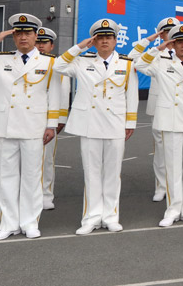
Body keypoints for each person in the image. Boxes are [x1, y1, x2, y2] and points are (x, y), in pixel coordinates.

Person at [0, 13, 59, 241]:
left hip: (34, 126)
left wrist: (52, 125)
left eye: (28, 33)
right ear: (13, 36)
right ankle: (8, 223)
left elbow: (54, 95)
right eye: (18, 33)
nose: (23, 38)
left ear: (36, 36)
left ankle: (29, 222)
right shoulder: (0, 59)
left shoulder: (49, 62)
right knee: (7, 177)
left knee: (31, 176)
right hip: (5, 125)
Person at [54, 19, 138, 234]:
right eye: (99, 38)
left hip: (115, 124)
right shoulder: (82, 62)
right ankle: (91, 217)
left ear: (115, 40)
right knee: (92, 173)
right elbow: (59, 65)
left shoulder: (126, 64)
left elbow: (132, 95)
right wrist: (81, 46)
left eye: (108, 37)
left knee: (112, 173)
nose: (104, 42)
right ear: (94, 40)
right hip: (89, 124)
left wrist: (130, 123)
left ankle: (110, 216)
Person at [134, 24, 183, 227]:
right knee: (173, 168)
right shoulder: (161, 63)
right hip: (170, 121)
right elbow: (139, 65)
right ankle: (172, 209)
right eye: (179, 42)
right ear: (173, 44)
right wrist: (158, 48)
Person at [128, 17, 181, 202]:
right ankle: (161, 186)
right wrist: (150, 41)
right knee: (160, 148)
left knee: (179, 148)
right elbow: (132, 58)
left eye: (173, 31)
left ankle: (177, 186)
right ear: (161, 34)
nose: (170, 35)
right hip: (159, 106)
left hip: (181, 108)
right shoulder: (155, 54)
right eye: (166, 32)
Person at [36, 27, 71, 210]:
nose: (40, 46)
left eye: (44, 43)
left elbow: (64, 93)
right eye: (38, 42)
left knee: (47, 159)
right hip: (30, 118)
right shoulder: (29, 63)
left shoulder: (57, 64)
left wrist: (60, 119)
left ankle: (46, 194)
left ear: (52, 45)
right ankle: (31, 194)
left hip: (49, 120)